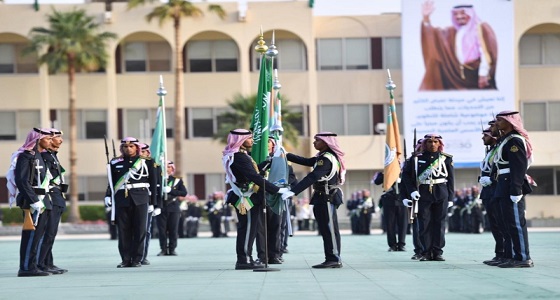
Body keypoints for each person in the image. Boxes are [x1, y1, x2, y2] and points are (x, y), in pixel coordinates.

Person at [221, 129, 290, 270]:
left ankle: (247, 258)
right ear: (240, 140)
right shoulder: (239, 157)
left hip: (247, 195)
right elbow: (254, 177)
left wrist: (266, 163)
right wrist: (276, 189)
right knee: (247, 229)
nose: (252, 140)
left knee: (249, 229)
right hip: (246, 196)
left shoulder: (240, 155)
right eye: (249, 138)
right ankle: (243, 260)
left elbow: (253, 172)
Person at [283, 132, 346, 269]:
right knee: (325, 229)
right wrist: (286, 154)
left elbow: (312, 177)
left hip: (327, 197)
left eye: (317, 140)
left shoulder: (327, 159)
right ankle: (330, 257)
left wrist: (293, 191)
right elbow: (307, 161)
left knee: (329, 229)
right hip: (321, 197)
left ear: (326, 142)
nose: (314, 143)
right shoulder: (321, 157)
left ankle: (334, 258)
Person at [419, 0, 498, 90]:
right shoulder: (452, 32)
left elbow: (486, 53)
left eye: (463, 13)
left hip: (476, 77)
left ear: (471, 14)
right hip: (456, 78)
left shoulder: (481, 28)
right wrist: (426, 18)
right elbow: (435, 36)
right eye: (456, 14)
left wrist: (483, 74)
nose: (459, 16)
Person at [105, 137, 157, 268]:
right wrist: (108, 195)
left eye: (131, 146)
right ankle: (125, 259)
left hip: (141, 198)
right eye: (125, 147)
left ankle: (137, 259)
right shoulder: (115, 162)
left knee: (140, 230)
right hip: (122, 198)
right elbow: (111, 182)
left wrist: (153, 203)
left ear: (137, 147)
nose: (128, 149)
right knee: (123, 231)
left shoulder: (147, 162)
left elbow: (153, 183)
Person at [9, 128, 54, 277]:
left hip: (43, 200)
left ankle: (33, 265)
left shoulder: (40, 156)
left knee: (38, 236)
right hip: (32, 201)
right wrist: (34, 200)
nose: (50, 141)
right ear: (38, 139)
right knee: (31, 236)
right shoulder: (25, 156)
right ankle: (26, 268)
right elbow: (22, 180)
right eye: (47, 138)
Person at [402, 134, 454, 262]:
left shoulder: (445, 159)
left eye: (435, 141)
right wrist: (412, 191)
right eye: (429, 142)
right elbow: (406, 177)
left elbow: (451, 179)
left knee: (440, 224)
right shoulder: (415, 159)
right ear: (425, 144)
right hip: (423, 193)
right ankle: (425, 252)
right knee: (424, 224)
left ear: (439, 143)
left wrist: (451, 198)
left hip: (441, 193)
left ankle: (437, 252)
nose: (432, 144)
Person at [492, 111, 534, 268]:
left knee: (516, 223)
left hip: (511, 184)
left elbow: (519, 166)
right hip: (503, 183)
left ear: (510, 122)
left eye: (500, 121)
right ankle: (512, 256)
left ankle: (523, 257)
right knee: (508, 223)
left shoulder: (515, 140)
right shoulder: (506, 140)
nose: (496, 124)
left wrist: (516, 189)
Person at [37, 128, 68, 275]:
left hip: (57, 197)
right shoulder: (44, 156)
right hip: (50, 197)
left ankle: (48, 262)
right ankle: (41, 263)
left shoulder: (52, 155)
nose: (60, 140)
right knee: (48, 233)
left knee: (51, 233)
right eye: (56, 137)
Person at [478, 126, 509, 265]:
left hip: (497, 189)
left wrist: (492, 179)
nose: (483, 138)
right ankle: (499, 253)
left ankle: (505, 253)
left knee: (501, 223)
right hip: (488, 192)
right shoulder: (489, 151)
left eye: (485, 135)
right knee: (494, 225)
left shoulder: (499, 149)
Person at [157, 160, 187, 256]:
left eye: (169, 167)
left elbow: (183, 193)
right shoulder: (157, 179)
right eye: (165, 167)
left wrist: (171, 191)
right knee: (162, 230)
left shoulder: (177, 180)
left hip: (173, 208)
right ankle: (163, 249)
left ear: (172, 168)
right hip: (160, 207)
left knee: (173, 230)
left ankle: (172, 249)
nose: (167, 169)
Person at [374, 172, 407, 252]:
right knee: (390, 224)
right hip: (389, 200)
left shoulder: (403, 172)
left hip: (401, 200)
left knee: (403, 224)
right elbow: (377, 182)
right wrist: (386, 174)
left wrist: (401, 178)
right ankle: (392, 245)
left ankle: (401, 244)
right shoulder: (385, 172)